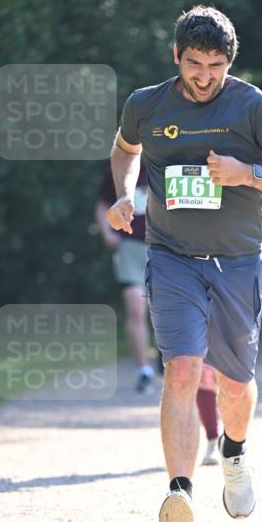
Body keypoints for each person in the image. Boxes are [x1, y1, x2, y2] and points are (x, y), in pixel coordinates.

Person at [105, 4, 262, 522]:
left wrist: (250, 173)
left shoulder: (252, 105)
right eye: (194, 63)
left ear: (229, 63)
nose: (203, 77)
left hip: (239, 262)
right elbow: (125, 150)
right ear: (176, 56)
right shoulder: (145, 104)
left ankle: (235, 454)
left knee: (234, 384)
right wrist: (126, 194)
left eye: (215, 65)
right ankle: (180, 493)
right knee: (181, 370)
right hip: (171, 257)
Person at [96, 162, 155, 392]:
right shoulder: (119, 168)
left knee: (169, 308)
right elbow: (102, 205)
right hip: (130, 247)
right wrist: (106, 232)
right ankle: (144, 370)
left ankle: (167, 358)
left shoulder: (170, 160)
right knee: (135, 306)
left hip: (165, 247)